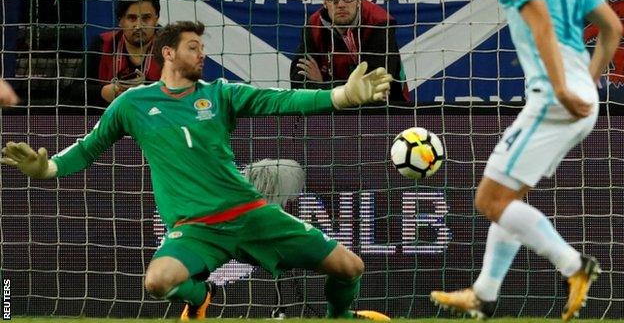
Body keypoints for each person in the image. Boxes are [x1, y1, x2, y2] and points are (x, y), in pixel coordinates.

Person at [0, 21, 393, 321]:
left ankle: (339, 317)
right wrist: (47, 168)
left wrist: (340, 96)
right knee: (157, 282)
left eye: (203, 47)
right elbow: (87, 149)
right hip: (194, 229)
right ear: (167, 53)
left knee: (350, 267)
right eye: (193, 47)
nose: (202, 53)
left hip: (249, 215)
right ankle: (200, 296)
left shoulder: (219, 94)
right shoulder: (132, 104)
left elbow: (281, 100)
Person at [430, 0, 621, 321]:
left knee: (489, 200)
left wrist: (562, 89)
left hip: (554, 97)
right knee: (508, 200)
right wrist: (587, 82)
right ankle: (484, 295)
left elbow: (542, 25)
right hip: (580, 98)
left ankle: (574, 265)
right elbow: (612, 28)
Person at [289, 0, 408, 102]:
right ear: (325, 2)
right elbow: (298, 83)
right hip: (330, 107)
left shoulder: (378, 23)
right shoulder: (313, 26)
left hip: (386, 109)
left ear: (358, 0)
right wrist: (344, 90)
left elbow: (374, 87)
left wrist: (322, 84)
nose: (341, 4)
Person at [72, 0, 162, 108]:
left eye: (146, 18)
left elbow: (187, 91)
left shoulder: (170, 47)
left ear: (156, 19)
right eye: (132, 18)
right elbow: (75, 90)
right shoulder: (102, 43)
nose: (139, 25)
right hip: (111, 120)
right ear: (121, 21)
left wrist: (146, 89)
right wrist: (105, 92)